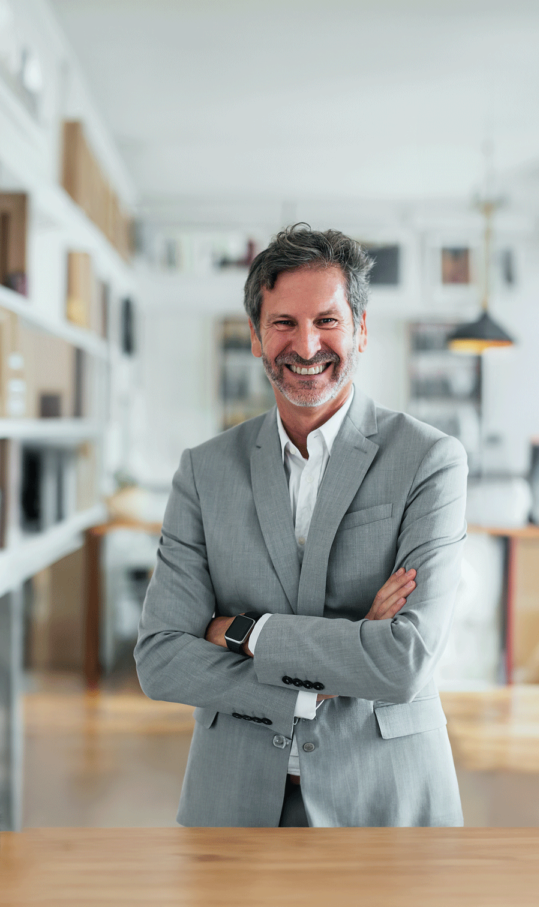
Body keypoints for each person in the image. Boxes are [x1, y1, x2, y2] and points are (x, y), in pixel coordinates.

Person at [135, 225, 468, 828]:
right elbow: (161, 659)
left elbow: (405, 660)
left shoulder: (429, 459)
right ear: (258, 339)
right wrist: (325, 673)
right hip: (232, 797)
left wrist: (243, 632)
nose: (306, 344)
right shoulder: (204, 471)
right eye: (283, 322)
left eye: (328, 320)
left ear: (362, 330)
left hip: (386, 795)